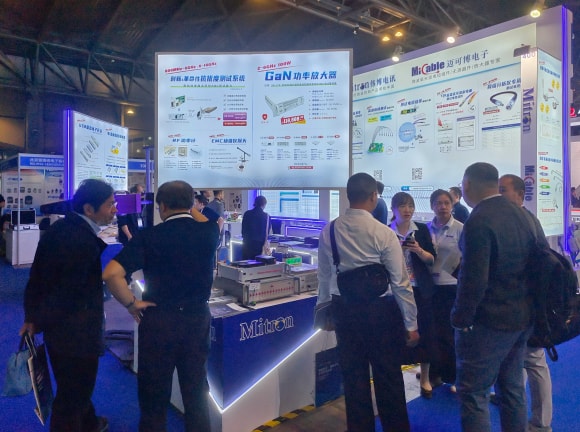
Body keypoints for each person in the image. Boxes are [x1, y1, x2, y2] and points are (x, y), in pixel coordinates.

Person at [102, 180, 219, 432]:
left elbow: (111, 273)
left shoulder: (149, 237)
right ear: (191, 204)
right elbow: (204, 220)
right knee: (196, 392)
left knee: (154, 396)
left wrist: (131, 303)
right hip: (197, 320)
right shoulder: (210, 232)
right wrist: (189, 206)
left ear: (162, 206)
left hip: (158, 322)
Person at [317, 173, 419, 432]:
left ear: (348, 196)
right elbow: (400, 282)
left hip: (344, 311)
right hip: (380, 312)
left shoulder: (329, 231)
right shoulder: (384, 233)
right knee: (388, 377)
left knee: (354, 380)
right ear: (374, 196)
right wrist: (411, 323)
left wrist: (324, 315)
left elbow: (325, 277)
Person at [19, 179, 117, 432]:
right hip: (77, 333)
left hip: (59, 331)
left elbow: (36, 277)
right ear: (89, 209)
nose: (114, 209)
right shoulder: (81, 242)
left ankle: (90, 423)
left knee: (72, 386)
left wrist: (32, 317)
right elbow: (68, 294)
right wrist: (37, 319)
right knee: (72, 397)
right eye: (109, 204)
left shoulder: (60, 229)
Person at [452, 162, 536, 432]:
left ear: (467, 184)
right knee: (512, 389)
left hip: (489, 323)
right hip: (522, 317)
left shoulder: (479, 220)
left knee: (473, 393)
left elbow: (473, 280)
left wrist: (461, 318)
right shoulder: (522, 214)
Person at [499, 174, 553, 432]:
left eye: (503, 190)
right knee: (519, 359)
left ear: (520, 195)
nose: (498, 195)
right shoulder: (520, 220)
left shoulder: (526, 222)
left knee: (534, 360)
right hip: (517, 305)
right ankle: (517, 404)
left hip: (527, 304)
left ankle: (541, 423)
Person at [389, 191, 436, 398]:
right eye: (402, 206)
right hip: (395, 290)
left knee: (425, 334)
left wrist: (418, 250)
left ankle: (425, 378)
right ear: (393, 209)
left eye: (410, 206)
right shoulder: (386, 231)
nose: (407, 210)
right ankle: (396, 379)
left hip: (420, 289)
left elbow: (432, 260)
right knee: (396, 335)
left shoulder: (422, 230)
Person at [426, 189, 463, 392]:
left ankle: (453, 375)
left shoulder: (460, 229)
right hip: (430, 287)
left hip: (451, 287)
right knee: (433, 332)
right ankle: (435, 373)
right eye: (438, 203)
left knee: (450, 334)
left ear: (452, 205)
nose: (442, 207)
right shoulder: (425, 229)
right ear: (432, 206)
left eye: (446, 203)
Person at [241, 195, 269, 260]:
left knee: (245, 263)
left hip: (246, 243)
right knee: (256, 263)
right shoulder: (266, 216)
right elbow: (266, 233)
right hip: (258, 245)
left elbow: (243, 229)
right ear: (264, 204)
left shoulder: (247, 213)